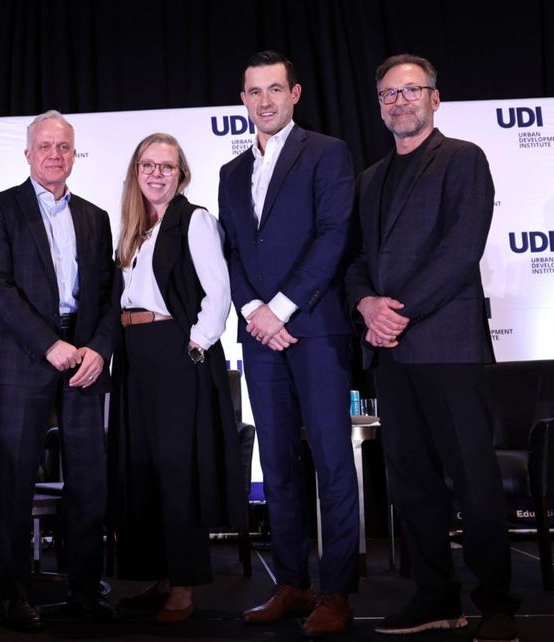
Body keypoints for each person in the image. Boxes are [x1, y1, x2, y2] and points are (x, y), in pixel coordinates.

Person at [345, 53, 520, 641]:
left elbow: (460, 247)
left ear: (434, 98)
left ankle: (497, 606)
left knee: (473, 481)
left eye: (410, 91)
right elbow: (359, 263)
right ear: (379, 106)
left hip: (449, 347)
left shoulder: (463, 159)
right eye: (389, 95)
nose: (399, 102)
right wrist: (367, 304)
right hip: (392, 355)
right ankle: (434, 597)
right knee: (411, 481)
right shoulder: (369, 179)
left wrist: (397, 313)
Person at [217, 50, 359, 637]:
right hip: (258, 336)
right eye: (254, 91)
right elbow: (233, 250)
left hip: (315, 329)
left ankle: (337, 591)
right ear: (243, 100)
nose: (265, 100)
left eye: (276, 89)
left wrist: (280, 308)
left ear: (295, 93)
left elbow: (333, 236)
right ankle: (293, 583)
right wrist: (252, 310)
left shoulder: (327, 153)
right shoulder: (229, 173)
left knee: (331, 461)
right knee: (275, 463)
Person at [0, 110, 118, 630]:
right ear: (28, 154)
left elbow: (108, 295)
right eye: (45, 146)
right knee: (15, 483)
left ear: (73, 154)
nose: (55, 155)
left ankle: (84, 591)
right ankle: (15, 593)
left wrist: (99, 349)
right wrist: (49, 344)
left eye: (64, 147)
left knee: (89, 485)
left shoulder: (95, 216)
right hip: (25, 358)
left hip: (84, 362)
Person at [107, 133, 245, 623]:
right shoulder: (134, 228)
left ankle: (184, 586)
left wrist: (197, 341)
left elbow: (218, 290)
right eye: (148, 165)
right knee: (140, 466)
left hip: (174, 352)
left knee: (176, 468)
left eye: (167, 166)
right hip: (133, 354)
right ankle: (160, 576)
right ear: (136, 172)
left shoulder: (196, 220)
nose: (157, 174)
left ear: (181, 173)